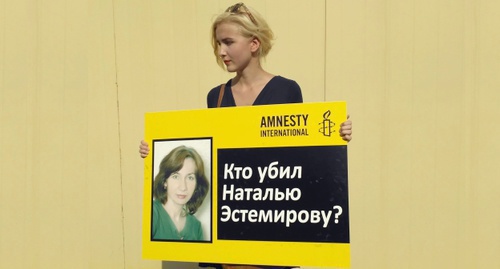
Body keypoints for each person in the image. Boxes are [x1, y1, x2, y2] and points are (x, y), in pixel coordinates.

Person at [140, 2, 352, 268]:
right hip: (228, 230)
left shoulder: (286, 91)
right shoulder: (215, 96)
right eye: (217, 44)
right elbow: (205, 156)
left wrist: (336, 135)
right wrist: (156, 151)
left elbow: (302, 157)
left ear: (254, 44)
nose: (221, 51)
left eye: (228, 42)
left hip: (272, 227)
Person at [152, 145, 209, 241]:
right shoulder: (152, 213)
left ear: (196, 185)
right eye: (176, 176)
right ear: (165, 181)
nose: (183, 187)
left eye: (190, 177)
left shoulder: (196, 226)